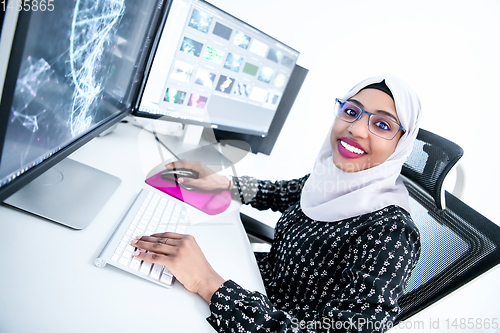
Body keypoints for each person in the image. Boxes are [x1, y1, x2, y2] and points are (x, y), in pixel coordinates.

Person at [131, 75, 422, 332]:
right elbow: (282, 193)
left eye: (382, 124)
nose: (357, 129)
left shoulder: (392, 233)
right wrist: (223, 183)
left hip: (257, 318)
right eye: (351, 111)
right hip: (248, 285)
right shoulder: (333, 180)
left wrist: (207, 283)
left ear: (402, 143)